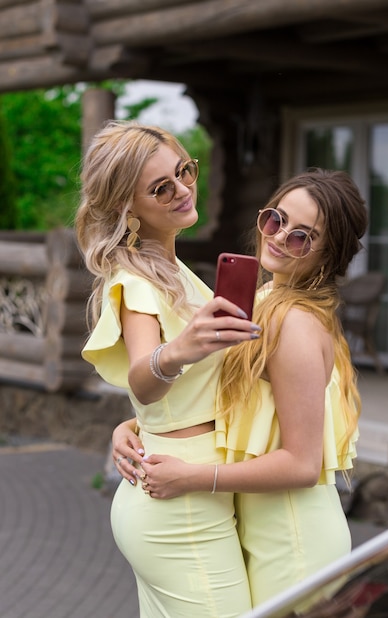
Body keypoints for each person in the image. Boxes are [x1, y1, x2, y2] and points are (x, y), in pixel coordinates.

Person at [113, 168, 368, 613]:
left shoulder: (296, 325)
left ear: (328, 255)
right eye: (276, 219)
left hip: (294, 538)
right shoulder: (265, 299)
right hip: (263, 528)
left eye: (301, 236)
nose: (279, 237)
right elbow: (226, 393)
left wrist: (194, 477)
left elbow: (303, 464)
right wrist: (134, 424)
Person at [75, 120, 260, 618]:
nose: (182, 190)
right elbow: (144, 377)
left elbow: (167, 399)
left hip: (188, 491)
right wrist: (179, 351)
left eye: (185, 171)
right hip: (180, 514)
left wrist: (135, 424)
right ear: (126, 207)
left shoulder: (176, 273)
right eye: (161, 187)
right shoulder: (137, 281)